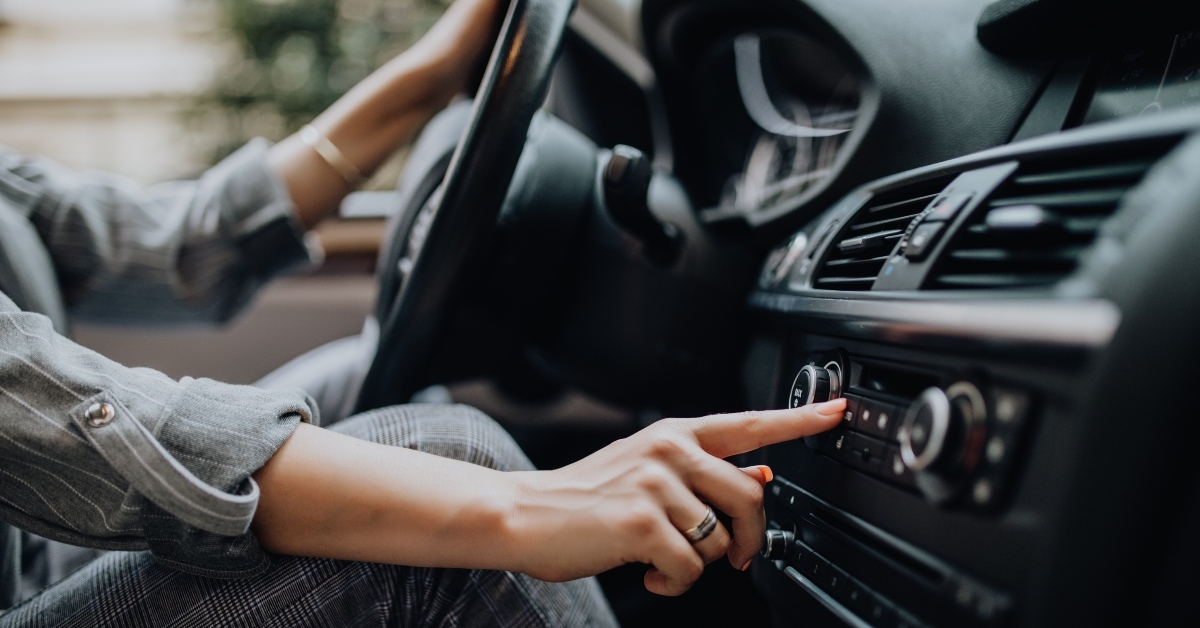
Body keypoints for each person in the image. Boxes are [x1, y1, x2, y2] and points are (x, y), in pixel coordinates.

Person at [0, 0, 847, 624]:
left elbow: (190, 246)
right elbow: (49, 415)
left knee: (357, 380)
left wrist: (442, 66)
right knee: (454, 457)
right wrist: (529, 511)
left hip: (28, 550)